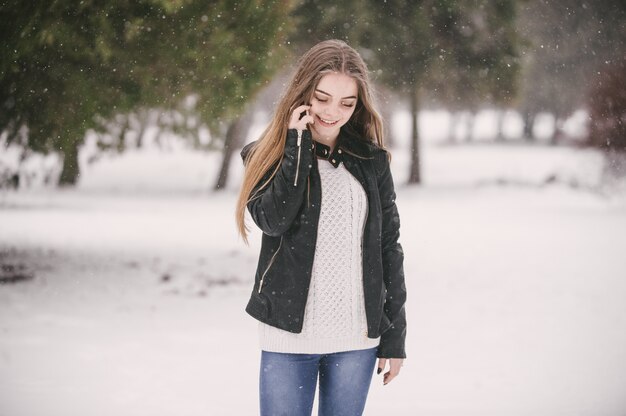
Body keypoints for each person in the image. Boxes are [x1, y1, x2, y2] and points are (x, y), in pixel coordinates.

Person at [235, 39, 407, 416]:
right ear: (303, 92)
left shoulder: (371, 161)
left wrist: (394, 337)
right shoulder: (265, 155)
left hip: (356, 337)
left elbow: (388, 248)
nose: (333, 112)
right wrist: (297, 146)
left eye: (347, 103)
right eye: (322, 98)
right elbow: (273, 220)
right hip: (287, 338)